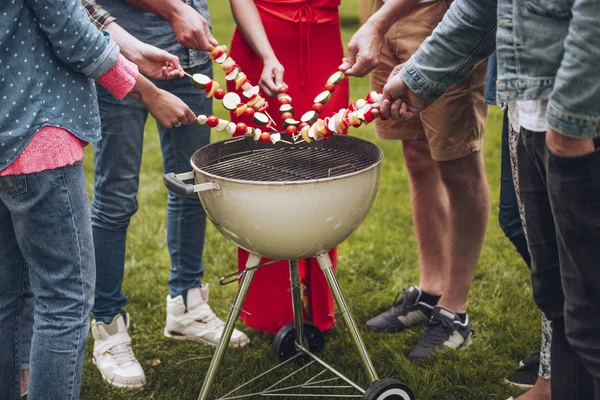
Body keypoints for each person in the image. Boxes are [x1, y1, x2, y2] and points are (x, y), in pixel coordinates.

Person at [378, 0, 600, 397]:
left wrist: (571, 124)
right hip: (531, 115)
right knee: (558, 300)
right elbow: (484, 6)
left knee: (590, 313)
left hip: (579, 128)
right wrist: (419, 77)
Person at [0, 0, 192, 399]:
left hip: (7, 134)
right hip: (37, 135)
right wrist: (148, 91)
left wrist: (133, 52)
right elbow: (72, 33)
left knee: (9, 295)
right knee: (64, 301)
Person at [88, 0, 248, 389]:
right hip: (120, 57)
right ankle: (107, 327)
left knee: (194, 185)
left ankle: (187, 304)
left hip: (193, 60)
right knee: (115, 196)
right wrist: (175, 10)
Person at [340, 0, 489, 361]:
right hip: (383, 12)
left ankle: (455, 310)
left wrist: (380, 20)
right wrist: (379, 18)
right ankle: (432, 290)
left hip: (441, 17)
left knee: (458, 162)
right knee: (417, 155)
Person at [225, 0, 349, 334]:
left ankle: (316, 302)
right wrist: (266, 55)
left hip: (325, 47)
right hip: (261, 44)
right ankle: (272, 310)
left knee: (325, 173)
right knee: (265, 175)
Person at [485, 54, 551, 399]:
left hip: (564, 102)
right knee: (515, 220)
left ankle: (557, 371)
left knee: (564, 246)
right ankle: (562, 353)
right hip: (520, 96)